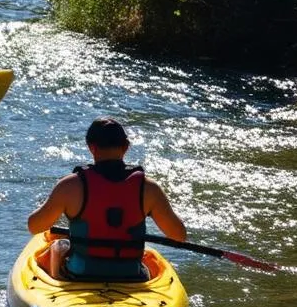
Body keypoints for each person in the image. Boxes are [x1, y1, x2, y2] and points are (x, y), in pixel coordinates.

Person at [27, 117, 187, 281]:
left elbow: (34, 226)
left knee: (57, 247)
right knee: (147, 263)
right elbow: (179, 235)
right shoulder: (149, 188)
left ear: (92, 148)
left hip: (80, 276)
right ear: (125, 147)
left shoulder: (70, 185)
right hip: (131, 277)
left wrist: (50, 204)